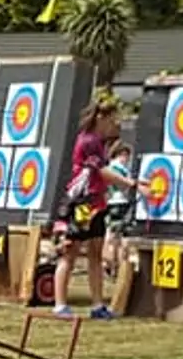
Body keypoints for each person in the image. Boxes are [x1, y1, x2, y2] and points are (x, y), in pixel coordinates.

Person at [50, 101, 145, 320]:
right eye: (112, 120)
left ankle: (97, 304)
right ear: (101, 119)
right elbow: (102, 172)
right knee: (70, 253)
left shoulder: (98, 143)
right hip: (82, 205)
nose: (115, 125)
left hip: (97, 204)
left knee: (94, 254)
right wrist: (131, 184)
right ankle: (60, 304)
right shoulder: (89, 141)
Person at [101, 140, 136, 280]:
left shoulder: (113, 167)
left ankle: (113, 266)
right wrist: (132, 183)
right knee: (117, 238)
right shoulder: (117, 167)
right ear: (119, 154)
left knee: (115, 236)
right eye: (125, 155)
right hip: (118, 204)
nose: (127, 159)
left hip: (115, 203)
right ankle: (113, 266)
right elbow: (123, 185)